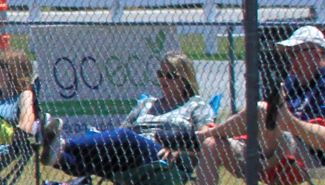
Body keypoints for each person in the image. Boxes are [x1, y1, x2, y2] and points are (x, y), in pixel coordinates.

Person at [173, 24, 325, 185]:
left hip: (310, 160)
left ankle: (203, 134)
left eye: (296, 52)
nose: (291, 59)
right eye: (290, 53)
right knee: (212, 145)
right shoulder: (292, 83)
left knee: (261, 109)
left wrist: (288, 123)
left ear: (316, 52)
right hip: (270, 155)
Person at [53, 53, 210, 178]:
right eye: (160, 74)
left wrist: (181, 149)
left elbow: (207, 139)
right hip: (130, 154)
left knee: (125, 137)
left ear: (185, 79)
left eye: (170, 76)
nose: (163, 79)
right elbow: (120, 131)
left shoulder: (196, 106)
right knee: (99, 154)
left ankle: (63, 145)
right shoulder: (147, 103)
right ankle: (58, 157)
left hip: (163, 156)